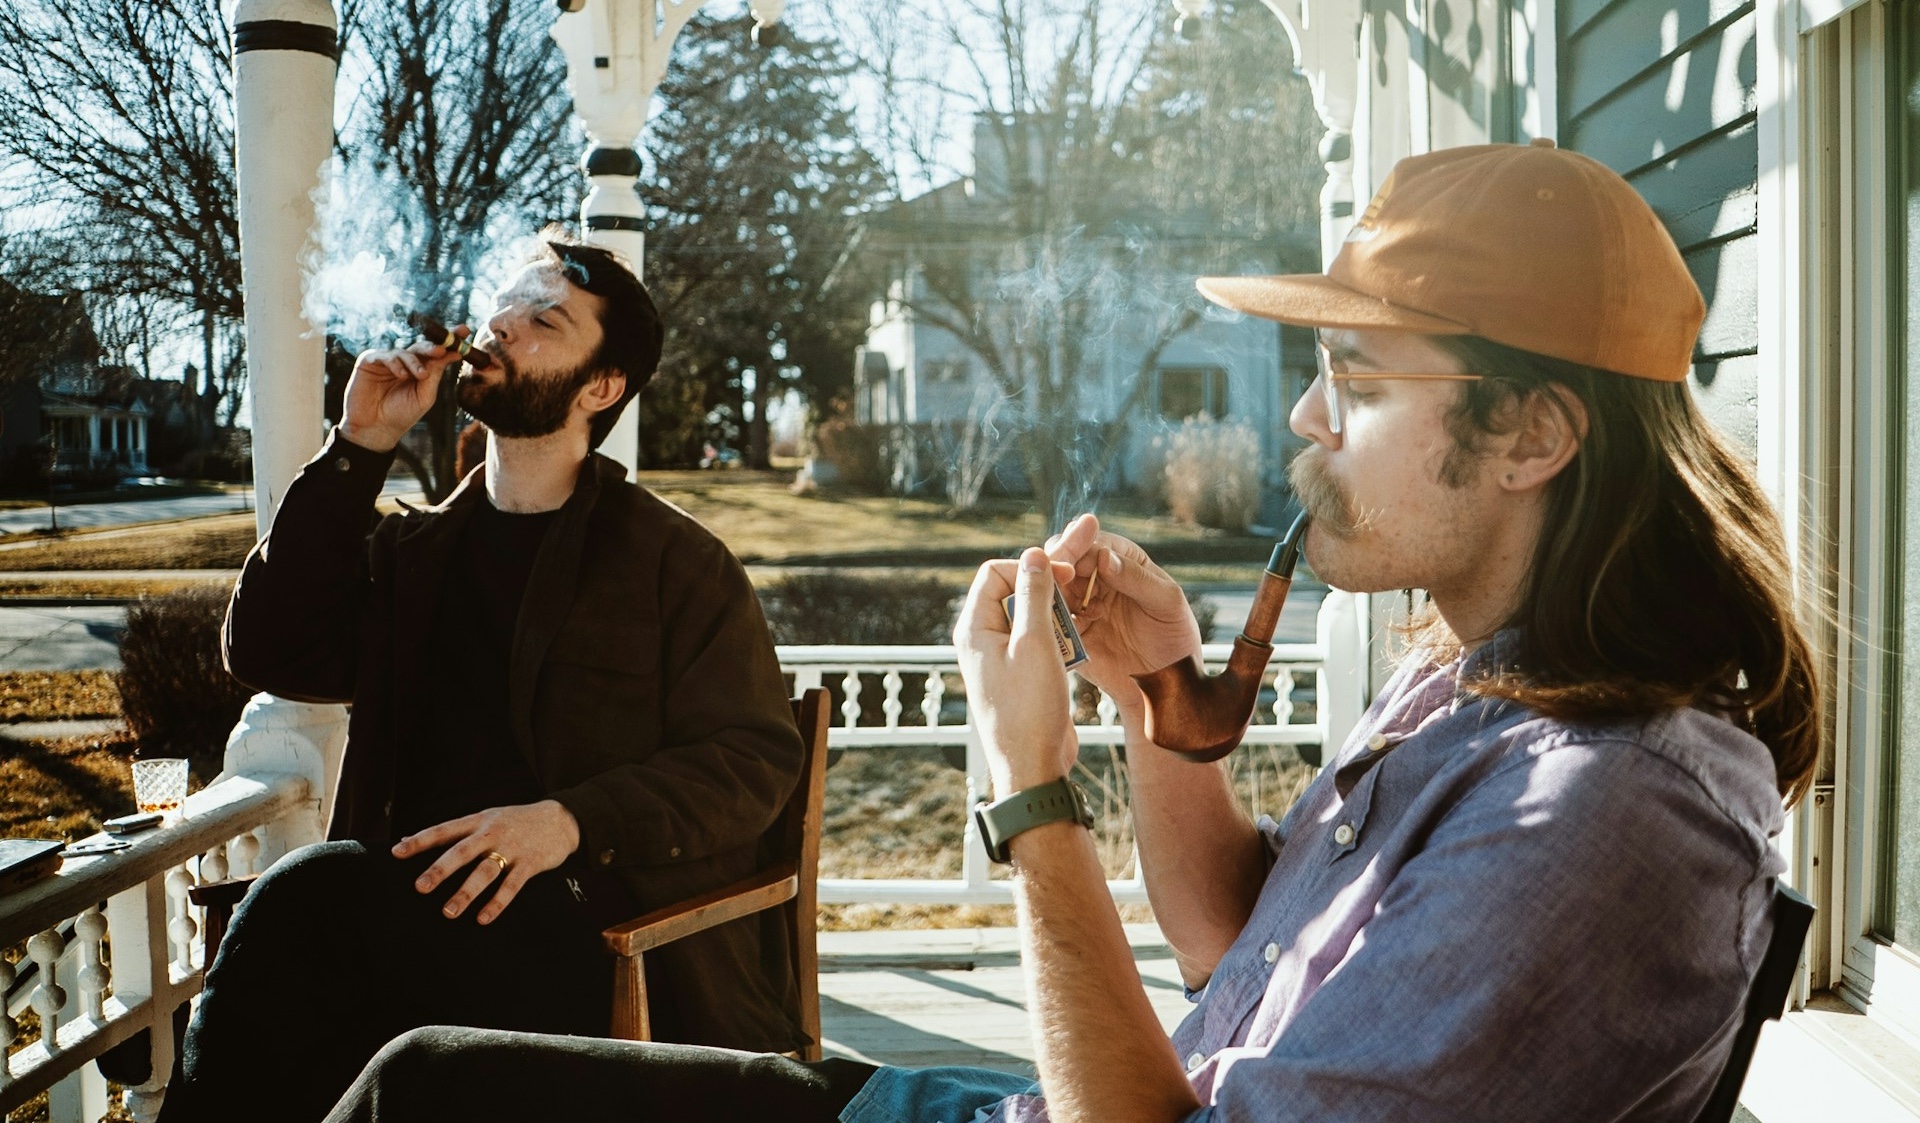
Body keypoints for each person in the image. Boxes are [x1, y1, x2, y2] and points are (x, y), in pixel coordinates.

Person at [318, 140, 1820, 1123]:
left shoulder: (1605, 805)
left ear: (1533, 433)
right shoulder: (1476, 685)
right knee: (419, 1078)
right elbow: (1241, 945)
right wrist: (1158, 703)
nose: (1302, 417)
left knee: (427, 1095)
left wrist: (1030, 786)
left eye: (1355, 380)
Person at [157, 232, 809, 1123]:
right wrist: (359, 445)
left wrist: (570, 822)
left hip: (593, 930)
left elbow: (754, 759)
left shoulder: (674, 562)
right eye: (503, 302)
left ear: (600, 387)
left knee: (299, 909)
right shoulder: (412, 554)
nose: (501, 323)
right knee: (297, 922)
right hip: (416, 917)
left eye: (543, 317)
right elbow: (268, 649)